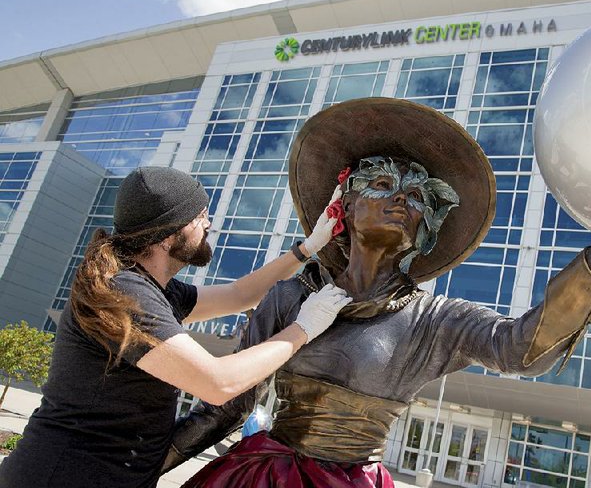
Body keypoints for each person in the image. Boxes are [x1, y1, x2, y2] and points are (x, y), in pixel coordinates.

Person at [164, 98, 591, 487]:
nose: (402, 197)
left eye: (417, 194)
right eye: (382, 184)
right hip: (264, 475)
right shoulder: (289, 298)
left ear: (426, 227)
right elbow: (224, 406)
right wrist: (136, 467)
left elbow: (520, 349)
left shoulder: (433, 321)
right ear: (346, 209)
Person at [0, 166, 351, 488]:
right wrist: (304, 328)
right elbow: (218, 383)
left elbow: (240, 294)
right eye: (200, 216)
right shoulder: (124, 292)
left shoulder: (158, 290)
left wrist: (307, 247)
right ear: (168, 235)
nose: (209, 224)